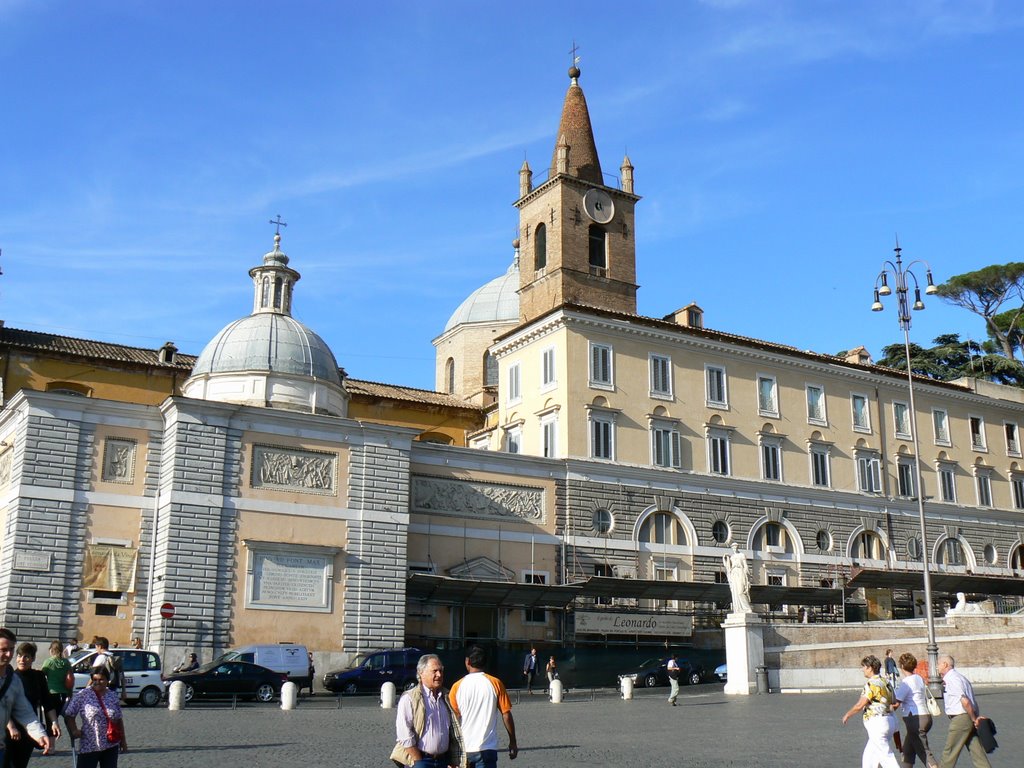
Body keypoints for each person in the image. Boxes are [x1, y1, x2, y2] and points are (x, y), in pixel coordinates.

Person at [449, 645, 517, 768]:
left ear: (467, 662)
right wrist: (513, 742)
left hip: (464, 747)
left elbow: (453, 719)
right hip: (487, 747)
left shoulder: (456, 686)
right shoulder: (495, 683)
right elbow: (506, 714)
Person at [393, 654, 463, 768]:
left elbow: (453, 731)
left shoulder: (447, 697)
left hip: (444, 761)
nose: (439, 675)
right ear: (421, 673)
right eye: (434, 671)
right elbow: (404, 734)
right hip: (421, 760)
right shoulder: (410, 698)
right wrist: (418, 761)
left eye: (441, 671)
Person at [0, 629, 53, 763]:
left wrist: (39, 734)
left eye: (11, 649)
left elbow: (25, 713)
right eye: (3, 650)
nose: (9, 654)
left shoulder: (13, 681)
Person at [842, 654, 901, 768]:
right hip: (889, 721)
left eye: (863, 666)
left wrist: (847, 715)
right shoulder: (886, 682)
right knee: (869, 757)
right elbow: (894, 701)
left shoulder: (871, 684)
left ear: (870, 668)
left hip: (877, 723)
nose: (862, 669)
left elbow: (860, 705)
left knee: (886, 757)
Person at [63, 666, 127, 768]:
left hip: (110, 744)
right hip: (89, 744)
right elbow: (69, 714)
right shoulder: (83, 695)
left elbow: (118, 719)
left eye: (101, 679)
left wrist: (123, 741)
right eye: (94, 679)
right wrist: (74, 730)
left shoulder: (112, 696)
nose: (97, 682)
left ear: (107, 680)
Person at [936, 656, 990, 768]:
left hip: (961, 718)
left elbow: (965, 701)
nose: (936, 667)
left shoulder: (952, 679)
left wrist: (974, 719)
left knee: (949, 752)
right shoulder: (961, 678)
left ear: (945, 664)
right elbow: (972, 700)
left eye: (938, 664)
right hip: (968, 716)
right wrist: (975, 717)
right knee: (977, 752)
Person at [893, 652, 938, 768]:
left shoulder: (906, 683)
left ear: (902, 666)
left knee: (925, 752)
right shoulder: (919, 678)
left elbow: (896, 702)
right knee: (908, 752)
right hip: (926, 716)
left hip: (915, 720)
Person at [40, 641, 72, 710]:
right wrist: (70, 693)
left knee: (51, 718)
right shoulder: (67, 662)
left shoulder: (49, 662)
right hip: (64, 693)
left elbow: (41, 676)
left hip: (51, 693)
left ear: (51, 650)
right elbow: (70, 678)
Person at [723, 542, 752, 613]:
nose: (734, 548)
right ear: (732, 548)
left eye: (736, 547)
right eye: (733, 547)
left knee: (741, 592)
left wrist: (747, 577)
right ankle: (738, 609)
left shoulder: (742, 555)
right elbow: (727, 566)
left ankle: (747, 608)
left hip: (740, 572)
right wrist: (725, 558)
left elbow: (745, 565)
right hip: (734, 573)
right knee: (735, 592)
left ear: (738, 547)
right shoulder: (732, 557)